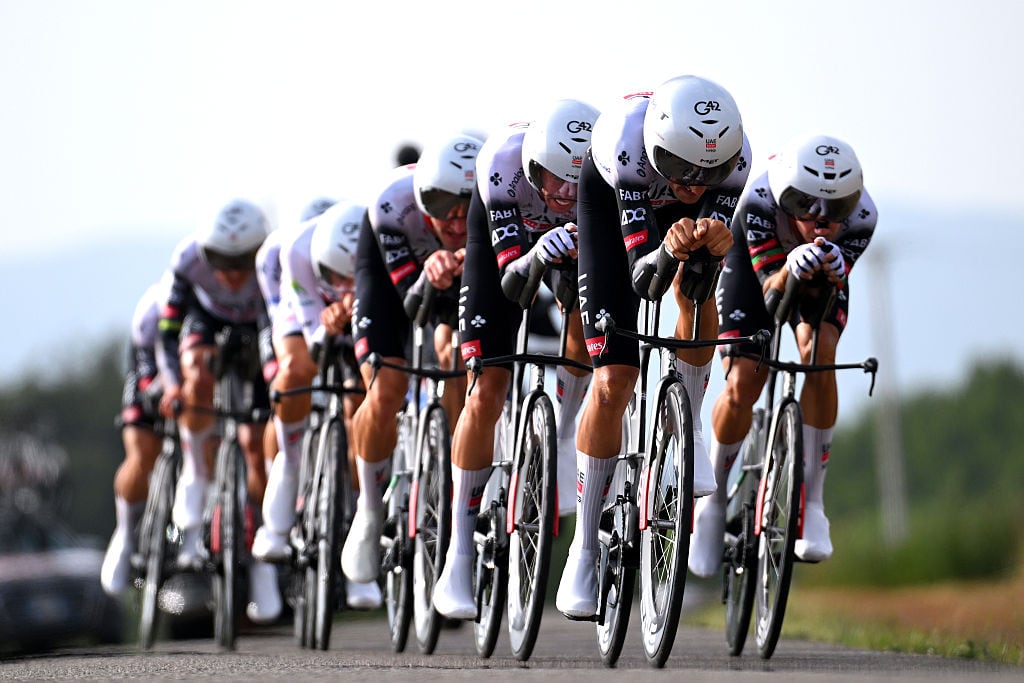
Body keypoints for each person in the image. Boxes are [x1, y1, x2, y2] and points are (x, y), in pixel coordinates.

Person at [556, 75, 752, 618]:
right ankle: (584, 547)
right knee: (614, 377)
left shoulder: (736, 161)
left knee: (700, 280)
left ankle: (687, 423)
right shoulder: (624, 142)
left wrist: (707, 248)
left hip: (666, 221)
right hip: (612, 204)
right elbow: (644, 279)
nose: (694, 183)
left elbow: (692, 267)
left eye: (708, 173)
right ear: (659, 148)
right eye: (683, 167)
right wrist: (668, 247)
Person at [431, 98, 600, 619]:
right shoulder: (503, 165)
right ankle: (458, 552)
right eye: (555, 181)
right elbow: (510, 279)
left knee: (588, 326)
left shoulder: (600, 181)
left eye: (578, 182)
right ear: (534, 167)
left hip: (573, 243)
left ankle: (565, 434)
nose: (566, 194)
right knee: (486, 387)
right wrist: (535, 252)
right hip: (506, 249)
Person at [688, 133, 877, 575]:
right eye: (808, 205)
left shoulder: (864, 217)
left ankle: (813, 502)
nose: (821, 220)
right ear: (787, 196)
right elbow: (771, 294)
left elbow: (824, 290)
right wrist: (789, 265)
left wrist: (822, 269)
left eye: (836, 210)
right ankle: (712, 505)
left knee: (820, 351)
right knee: (746, 379)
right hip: (757, 273)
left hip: (813, 272)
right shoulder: (757, 200)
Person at [339, 132, 483, 585]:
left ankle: (455, 471)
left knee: (459, 356)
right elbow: (408, 303)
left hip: (455, 274)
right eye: (445, 210)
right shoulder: (391, 204)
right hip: (390, 276)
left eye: (468, 208)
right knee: (386, 387)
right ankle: (368, 507)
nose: (457, 223)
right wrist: (430, 275)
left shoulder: (493, 209)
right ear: (424, 201)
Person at [156, 198, 282, 624]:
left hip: (261, 324)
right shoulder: (188, 260)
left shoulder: (273, 263)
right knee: (196, 371)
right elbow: (168, 334)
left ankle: (263, 563)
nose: (230, 273)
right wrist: (173, 386)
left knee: (254, 443)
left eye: (242, 261)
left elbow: (279, 333)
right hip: (205, 321)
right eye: (220, 262)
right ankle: (196, 471)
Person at [250, 200, 381, 609]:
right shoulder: (289, 251)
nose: (341, 282)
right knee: (295, 372)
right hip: (300, 311)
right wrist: (324, 325)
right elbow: (302, 333)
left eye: (349, 274)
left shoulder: (372, 242)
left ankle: (361, 528)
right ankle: (288, 469)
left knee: (364, 400)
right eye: (335, 276)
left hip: (362, 306)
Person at [100, 275, 171, 597]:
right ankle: (126, 532)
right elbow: (144, 378)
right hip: (152, 374)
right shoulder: (152, 309)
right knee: (142, 453)